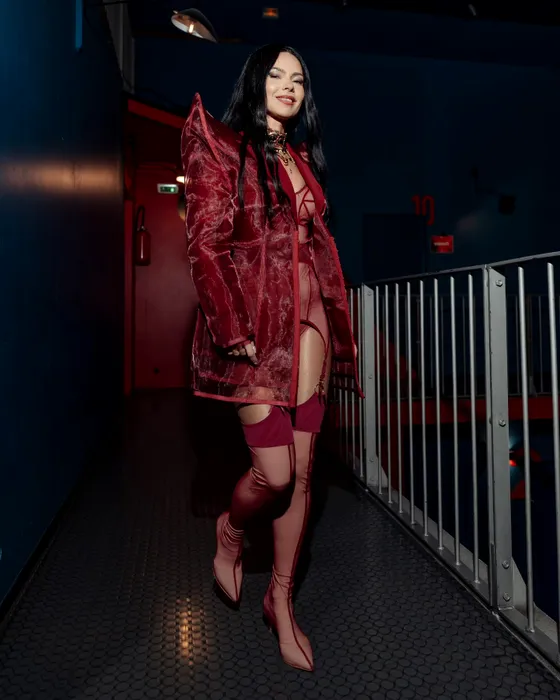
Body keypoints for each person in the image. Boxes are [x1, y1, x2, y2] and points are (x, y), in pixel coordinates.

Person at [181, 44, 361, 672]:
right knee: (275, 474)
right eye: (277, 75)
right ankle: (231, 531)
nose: (289, 85)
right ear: (255, 82)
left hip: (311, 327)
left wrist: (335, 319)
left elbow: (314, 245)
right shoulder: (223, 147)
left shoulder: (302, 156)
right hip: (256, 330)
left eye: (299, 79)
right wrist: (231, 327)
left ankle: (281, 600)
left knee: (304, 473)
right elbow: (206, 246)